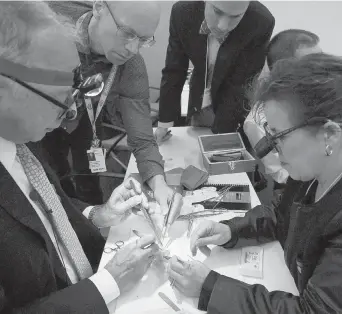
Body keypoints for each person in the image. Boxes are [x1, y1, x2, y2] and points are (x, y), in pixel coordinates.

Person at [0, 2, 161, 312]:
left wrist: (99, 215)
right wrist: (107, 284)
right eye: (60, 99)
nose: (71, 112)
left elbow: (46, 208)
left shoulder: (23, 143)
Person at [167, 53, 342, 313]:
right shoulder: (310, 174)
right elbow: (281, 214)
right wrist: (232, 230)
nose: (267, 147)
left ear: (328, 134)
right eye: (268, 133)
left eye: (278, 135)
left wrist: (209, 288)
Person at [43, 1, 182, 224]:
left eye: (144, 40)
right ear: (99, 8)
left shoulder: (130, 64)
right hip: (41, 126)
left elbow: (143, 138)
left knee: (88, 177)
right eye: (127, 34)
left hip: (87, 118)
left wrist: (159, 185)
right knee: (52, 181)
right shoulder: (51, 39)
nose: (133, 49)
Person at [155, 1, 275, 145]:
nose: (222, 26)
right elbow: (174, 69)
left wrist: (221, 135)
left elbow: (240, 85)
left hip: (233, 104)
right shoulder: (182, 12)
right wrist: (165, 122)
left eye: (235, 16)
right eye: (217, 11)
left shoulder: (261, 21)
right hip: (198, 99)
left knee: (220, 152)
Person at [244, 29, 322, 185]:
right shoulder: (259, 120)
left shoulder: (326, 94)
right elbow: (283, 175)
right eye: (312, 64)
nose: (321, 68)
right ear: (284, 71)